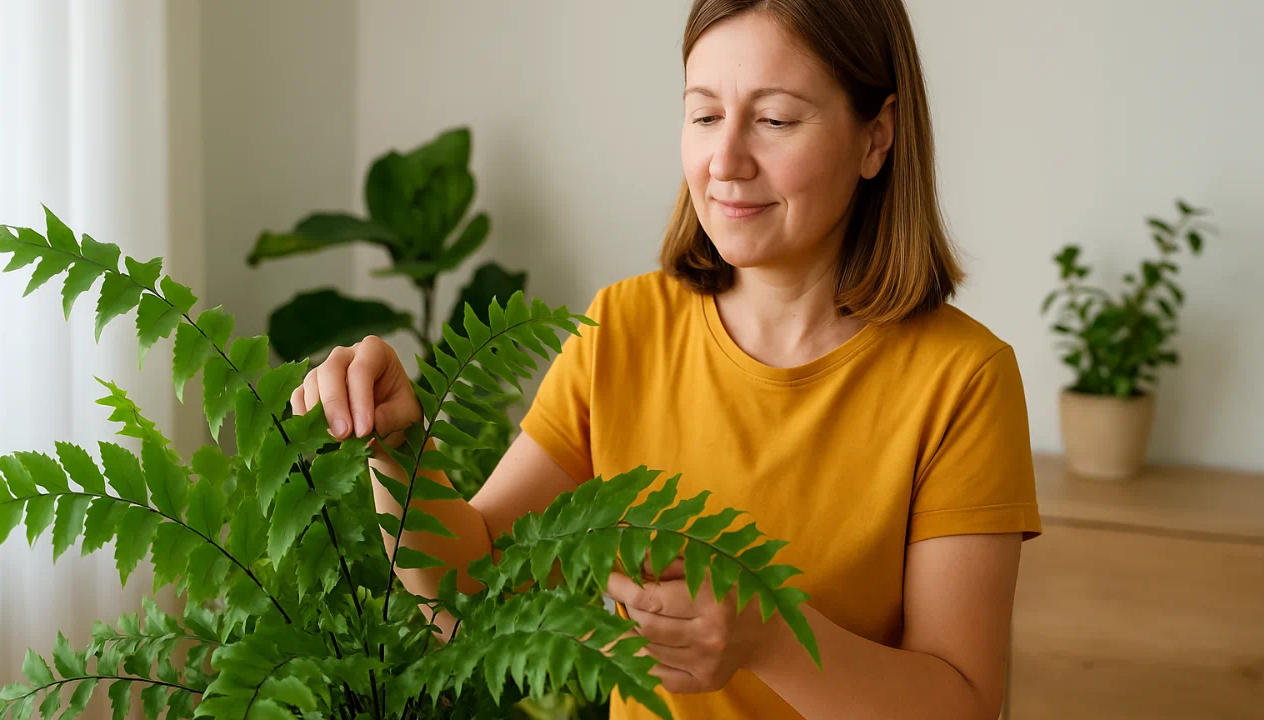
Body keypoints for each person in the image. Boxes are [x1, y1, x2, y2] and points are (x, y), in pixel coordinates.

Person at [291, 0, 1042, 717]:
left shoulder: (963, 380)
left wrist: (768, 638)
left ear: (876, 137)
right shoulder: (624, 327)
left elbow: (963, 702)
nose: (725, 160)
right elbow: (463, 595)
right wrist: (396, 446)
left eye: (775, 119)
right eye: (705, 114)